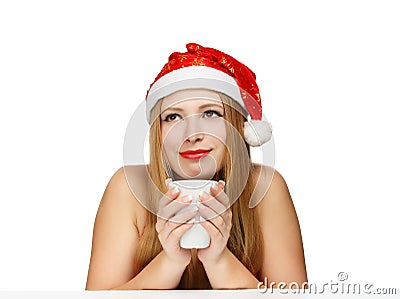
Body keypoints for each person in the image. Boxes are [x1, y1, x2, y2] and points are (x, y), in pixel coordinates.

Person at [85, 43, 308, 290]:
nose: (191, 135)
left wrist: (219, 261)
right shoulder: (128, 187)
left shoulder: (265, 188)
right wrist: (169, 262)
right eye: (173, 116)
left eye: (211, 113)